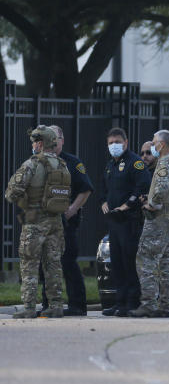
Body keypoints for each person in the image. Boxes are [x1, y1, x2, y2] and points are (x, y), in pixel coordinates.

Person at [3, 126, 70, 319]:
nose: (32, 145)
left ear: (40, 143)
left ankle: (29, 306)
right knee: (53, 264)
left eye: (34, 141)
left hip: (34, 221)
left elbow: (11, 192)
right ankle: (56, 305)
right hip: (55, 223)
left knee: (29, 264)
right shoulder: (63, 165)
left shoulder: (32, 164)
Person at [132, 130, 169, 318]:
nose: (153, 146)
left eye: (155, 143)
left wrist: (151, 204)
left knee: (145, 258)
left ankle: (148, 304)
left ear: (162, 145)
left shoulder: (164, 162)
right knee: (166, 262)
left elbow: (161, 188)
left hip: (158, 217)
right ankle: (166, 305)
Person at [39, 125, 94, 316]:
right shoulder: (41, 161)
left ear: (62, 140)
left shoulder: (72, 163)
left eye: (56, 138)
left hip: (66, 224)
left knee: (68, 263)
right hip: (45, 223)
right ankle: (49, 304)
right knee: (46, 263)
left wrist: (72, 210)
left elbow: (85, 189)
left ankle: (77, 305)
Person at [100, 127, 151, 317]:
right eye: (111, 143)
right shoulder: (110, 165)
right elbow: (103, 187)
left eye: (117, 142)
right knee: (117, 263)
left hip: (129, 221)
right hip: (114, 221)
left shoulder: (135, 163)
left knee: (130, 263)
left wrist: (127, 205)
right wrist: (103, 202)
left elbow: (142, 187)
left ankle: (131, 302)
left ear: (126, 142)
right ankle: (119, 302)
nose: (114, 145)